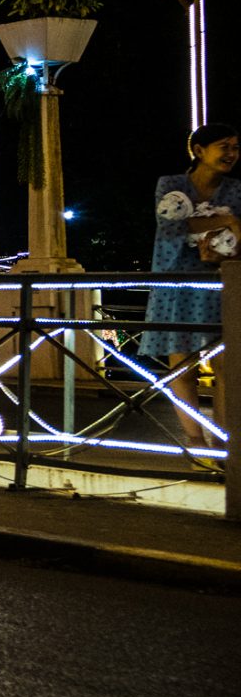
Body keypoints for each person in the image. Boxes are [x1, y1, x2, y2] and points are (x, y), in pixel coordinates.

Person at [142, 122, 239, 452]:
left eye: (235, 147)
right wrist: (228, 221)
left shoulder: (235, 189)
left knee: (228, 367)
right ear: (199, 150)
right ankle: (196, 443)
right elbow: (171, 226)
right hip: (176, 283)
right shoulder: (170, 185)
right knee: (183, 367)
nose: (231, 153)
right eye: (224, 146)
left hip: (220, 282)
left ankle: (225, 446)